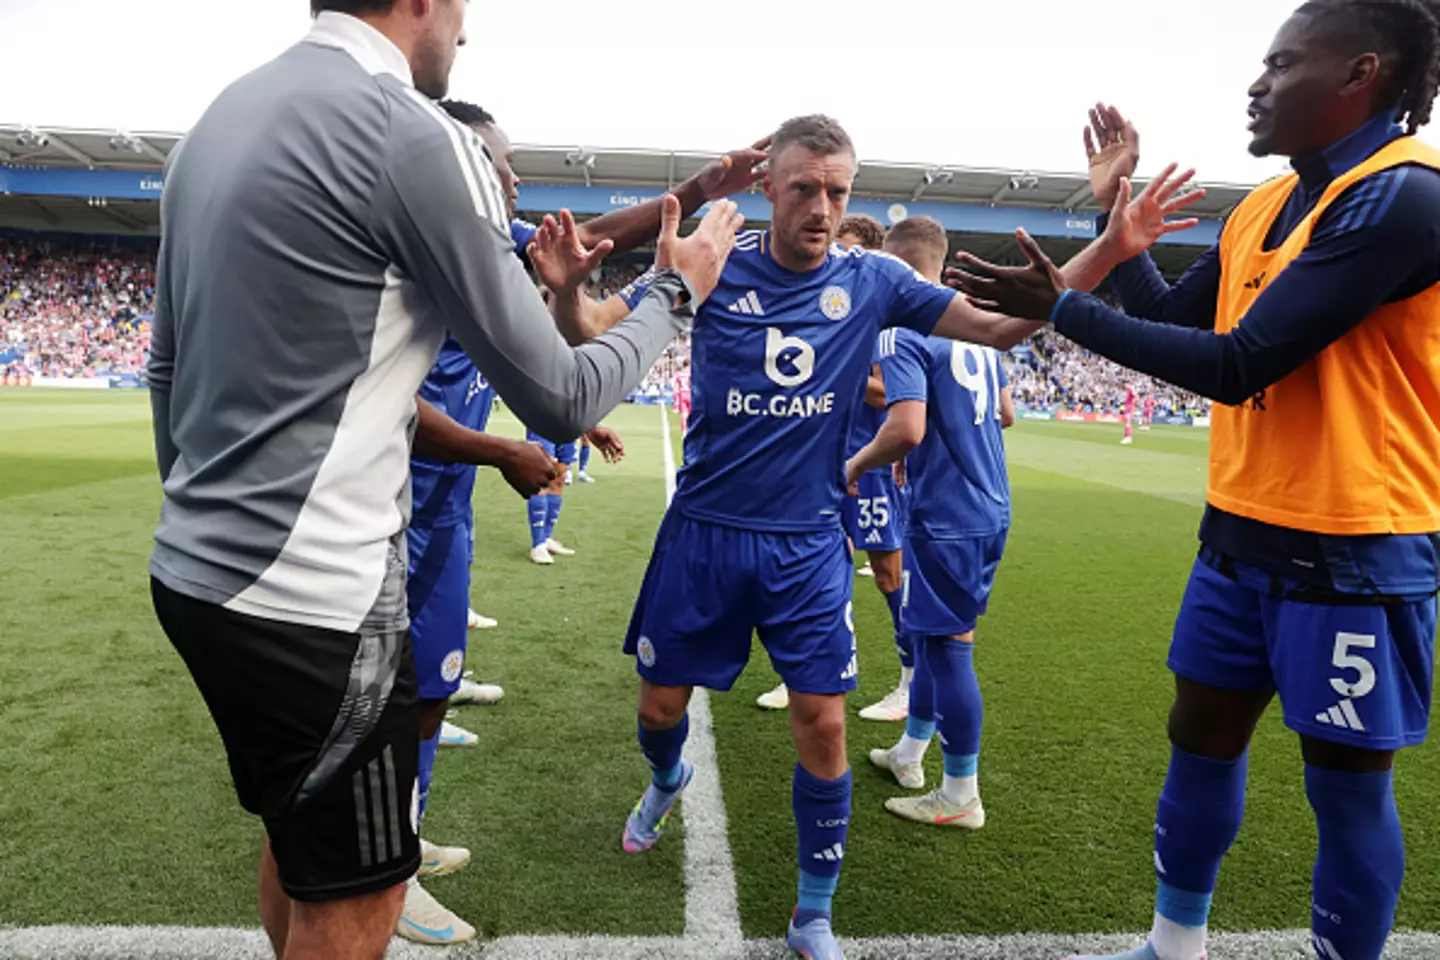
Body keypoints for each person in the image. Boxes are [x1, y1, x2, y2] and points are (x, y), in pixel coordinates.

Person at [144, 1, 742, 955]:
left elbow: (164, 369)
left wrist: (202, 515)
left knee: (302, 845)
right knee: (363, 894)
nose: (464, 36)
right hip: (317, 595)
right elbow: (560, 393)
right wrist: (679, 291)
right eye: (462, 12)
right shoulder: (413, 129)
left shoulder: (218, 121)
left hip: (193, 572)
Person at [951, 3, 1440, 956]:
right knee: (1199, 735)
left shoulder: (1403, 197)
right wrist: (1114, 219)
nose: (1255, 84)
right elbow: (1177, 316)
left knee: (1345, 789)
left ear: (1361, 74)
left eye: (1280, 64)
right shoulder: (1260, 204)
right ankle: (1174, 945)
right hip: (1239, 530)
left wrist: (1063, 310)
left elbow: (1240, 361)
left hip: (1357, 545)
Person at [616, 115, 1051, 960]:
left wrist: (1098, 255)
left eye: (838, 192)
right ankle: (669, 779)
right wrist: (564, 290)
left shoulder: (877, 281)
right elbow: (594, 325)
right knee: (659, 710)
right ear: (769, 187)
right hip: (704, 533)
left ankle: (813, 914)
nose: (823, 206)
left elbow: (1000, 330)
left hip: (810, 541)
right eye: (806, 188)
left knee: (823, 725)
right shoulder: (711, 266)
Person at [847, 215, 1015, 826]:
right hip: (987, 503)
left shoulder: (903, 328)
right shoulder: (975, 330)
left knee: (949, 651)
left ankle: (961, 793)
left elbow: (906, 426)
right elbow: (1004, 415)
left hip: (947, 514)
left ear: (893, 266)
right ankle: (910, 750)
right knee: (926, 635)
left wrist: (860, 461)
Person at [754, 213, 914, 721]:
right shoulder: (831, 310)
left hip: (871, 462)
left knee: (889, 572)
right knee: (816, 564)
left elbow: (893, 393)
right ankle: (800, 672)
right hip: (824, 459)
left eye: (846, 249)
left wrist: (834, 370)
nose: (835, 260)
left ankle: (911, 679)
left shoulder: (882, 317)